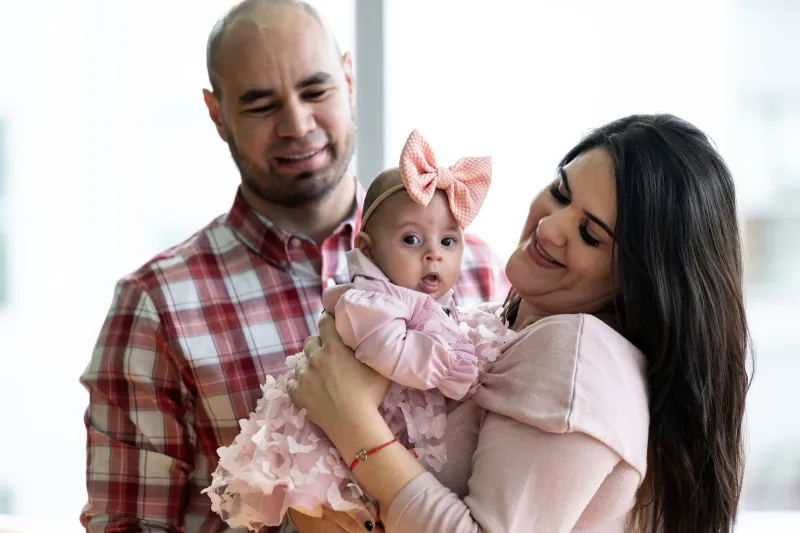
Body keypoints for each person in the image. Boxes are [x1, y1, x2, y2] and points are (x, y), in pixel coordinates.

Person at [78, 1, 509, 532]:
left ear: (348, 78)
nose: (297, 123)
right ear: (218, 115)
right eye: (261, 105)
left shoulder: (483, 271)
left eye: (315, 90)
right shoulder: (155, 307)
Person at [288, 114, 752, 533]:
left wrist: (350, 419)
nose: (550, 228)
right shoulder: (499, 323)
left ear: (639, 279)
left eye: (589, 234)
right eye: (560, 193)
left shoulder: (576, 352)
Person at [204, 129, 515, 530]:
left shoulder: (438, 300)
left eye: (449, 240)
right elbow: (389, 349)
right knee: (335, 510)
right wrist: (450, 369)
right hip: (320, 438)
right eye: (411, 239)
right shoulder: (367, 300)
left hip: (366, 427)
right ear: (367, 249)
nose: (433, 253)